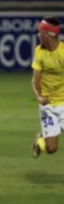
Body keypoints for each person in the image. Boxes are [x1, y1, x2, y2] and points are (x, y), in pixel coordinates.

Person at [31, 17, 64, 158]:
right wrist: (39, 96)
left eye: (40, 32)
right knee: (51, 149)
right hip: (48, 105)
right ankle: (39, 141)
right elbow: (35, 79)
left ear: (48, 35)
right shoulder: (39, 51)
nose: (38, 35)